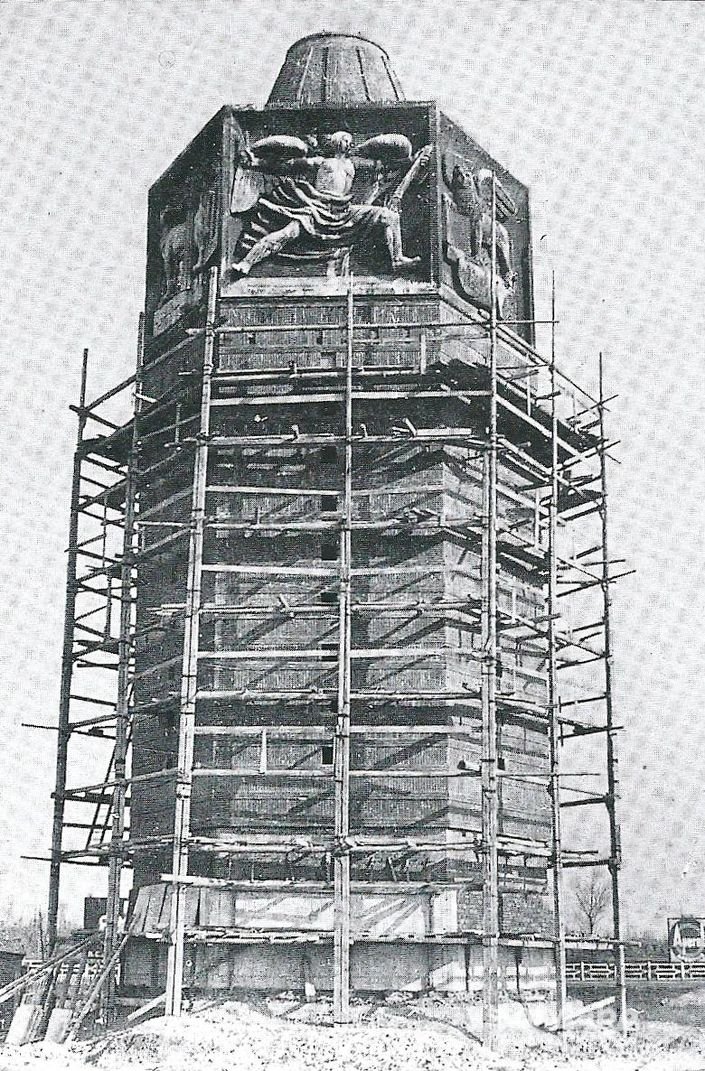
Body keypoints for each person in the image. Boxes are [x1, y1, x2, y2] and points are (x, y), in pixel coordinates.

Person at [231, 131, 422, 275]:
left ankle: (397, 259)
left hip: (344, 211)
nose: (346, 142)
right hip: (317, 208)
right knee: (286, 234)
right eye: (343, 139)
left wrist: (414, 160)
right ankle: (247, 262)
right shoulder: (320, 162)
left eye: (348, 140)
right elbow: (286, 167)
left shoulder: (355, 164)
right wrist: (256, 163)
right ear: (334, 142)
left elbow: (392, 163)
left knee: (389, 216)